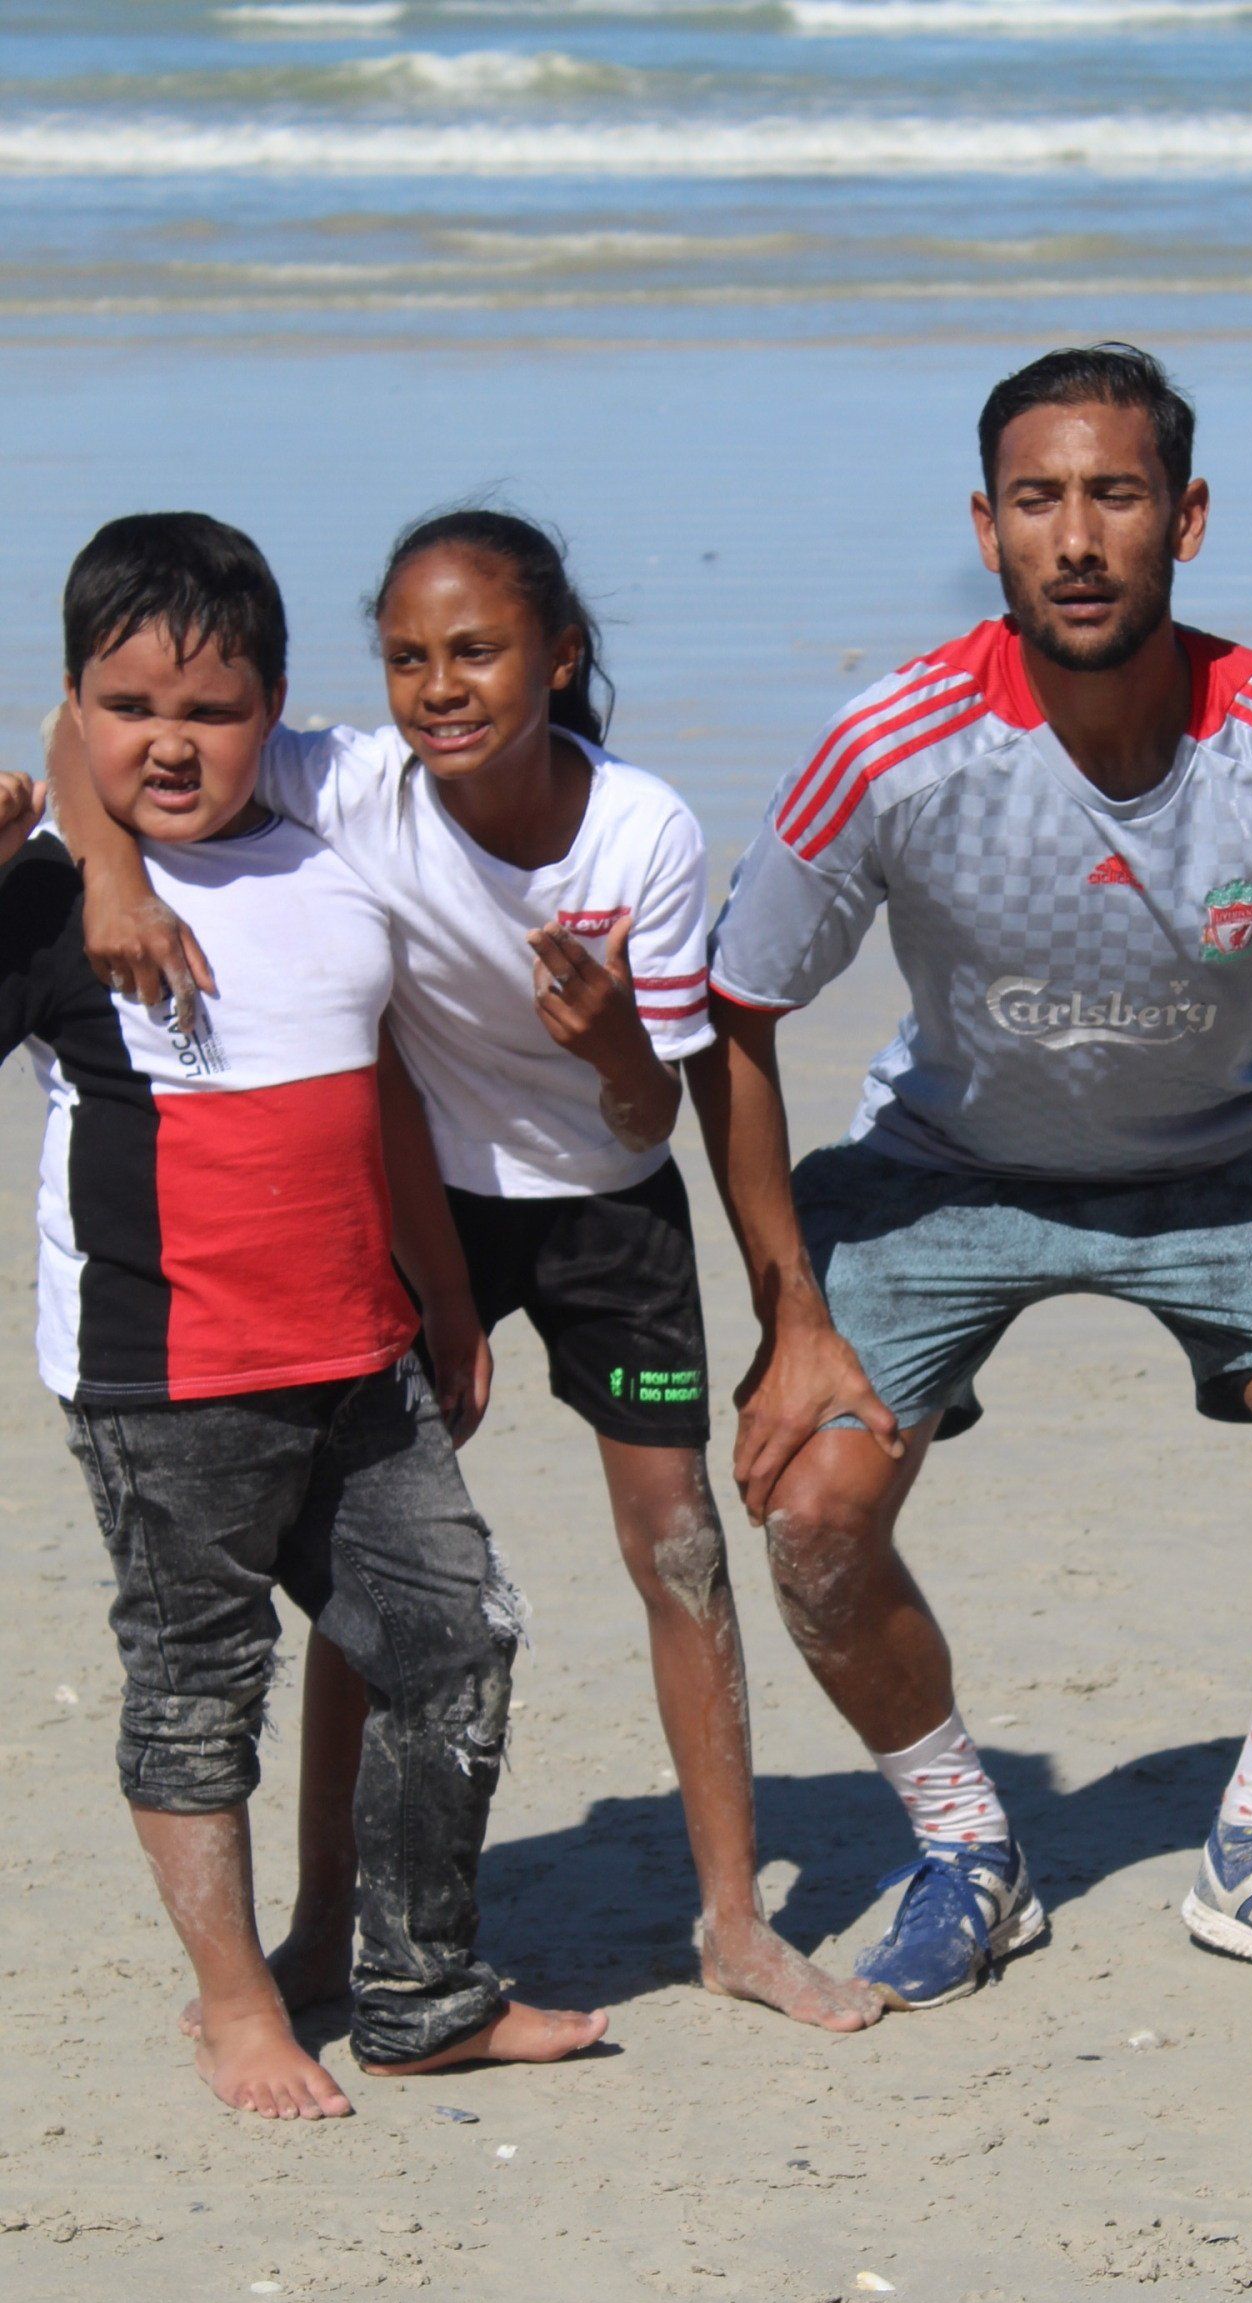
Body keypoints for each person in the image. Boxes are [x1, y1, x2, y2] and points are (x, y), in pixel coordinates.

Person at [56, 509, 883, 2037]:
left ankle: (731, 1921)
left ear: (556, 657)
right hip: (421, 1200)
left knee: (679, 1545)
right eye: (408, 659)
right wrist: (109, 881)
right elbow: (101, 714)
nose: (440, 688)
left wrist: (613, 1043)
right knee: (377, 1571)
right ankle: (321, 1930)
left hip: (609, 1216)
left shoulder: (641, 835)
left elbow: (655, 1117)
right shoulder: (356, 784)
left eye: (479, 652)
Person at [696, 342, 1252, 2008]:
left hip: (1232, 1171)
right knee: (808, 1510)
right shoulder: (894, 747)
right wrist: (791, 1313)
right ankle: (968, 1846)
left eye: (1115, 494)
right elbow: (734, 1010)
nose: (1078, 536)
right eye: (1039, 501)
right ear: (989, 525)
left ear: (1188, 516)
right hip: (949, 1167)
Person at [7, 510, 608, 2117]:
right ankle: (235, 2003)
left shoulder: (332, 852)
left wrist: (446, 1296)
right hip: (167, 1386)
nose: (172, 744)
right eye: (130, 712)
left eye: (211, 712)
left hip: (364, 1361)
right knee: (202, 1696)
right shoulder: (52, 894)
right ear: (76, 706)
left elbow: (389, 1096)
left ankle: (417, 1988)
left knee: (456, 1647)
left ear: (275, 710)